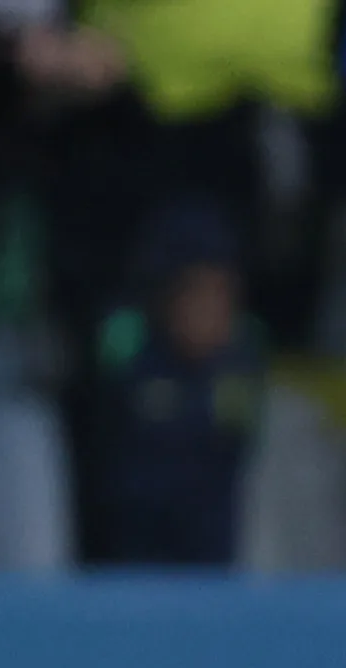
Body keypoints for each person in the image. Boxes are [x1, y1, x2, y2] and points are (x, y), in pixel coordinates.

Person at [89, 199, 261, 564]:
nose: (213, 309)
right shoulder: (130, 361)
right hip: (138, 572)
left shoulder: (244, 364)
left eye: (223, 292)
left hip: (220, 571)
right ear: (166, 297)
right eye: (197, 292)